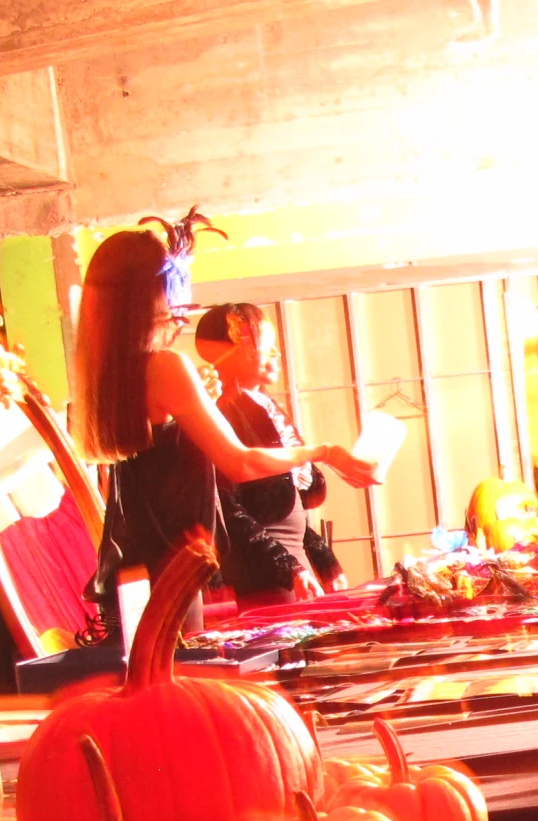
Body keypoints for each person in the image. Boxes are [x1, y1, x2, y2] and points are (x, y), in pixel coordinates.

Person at [72, 219, 373, 626]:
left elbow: (159, 461)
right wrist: (323, 451)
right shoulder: (164, 366)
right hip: (169, 572)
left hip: (137, 569)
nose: (182, 310)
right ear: (148, 297)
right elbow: (241, 464)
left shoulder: (111, 374)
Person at [193, 305, 347, 602]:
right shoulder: (221, 412)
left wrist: (324, 559)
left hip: (292, 561)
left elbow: (294, 505)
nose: (275, 354)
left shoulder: (262, 405)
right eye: (265, 345)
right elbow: (226, 507)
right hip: (260, 569)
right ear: (236, 349)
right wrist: (288, 567)